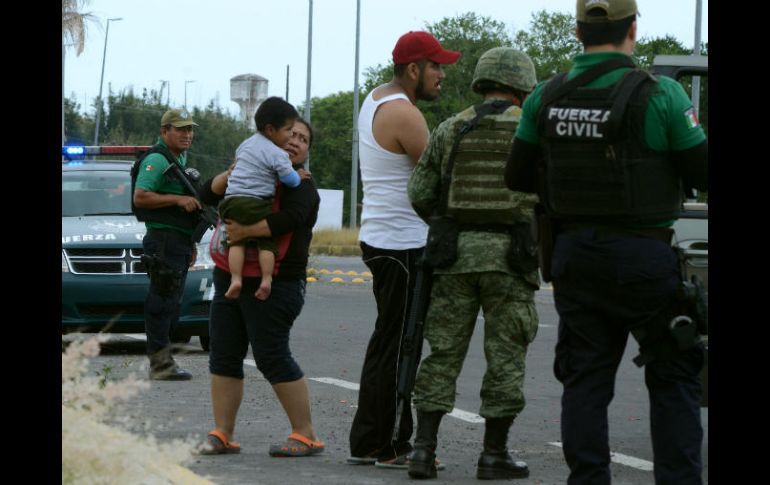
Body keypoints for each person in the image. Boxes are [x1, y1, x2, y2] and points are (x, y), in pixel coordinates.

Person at [505, 1, 708, 483]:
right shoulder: (664, 95)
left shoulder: (543, 98)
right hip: (644, 257)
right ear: (633, 28)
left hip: (574, 256)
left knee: (585, 382)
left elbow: (517, 175)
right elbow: (700, 172)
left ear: (577, 31)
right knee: (674, 376)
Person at [406, 47, 539, 480]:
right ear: (523, 84)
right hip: (512, 258)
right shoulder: (531, 129)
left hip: (454, 257)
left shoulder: (451, 128)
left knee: (442, 354)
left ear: (481, 81)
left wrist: (453, 225)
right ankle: (493, 454)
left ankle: (422, 452)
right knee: (506, 358)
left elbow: (421, 193)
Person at [348, 30, 460, 469]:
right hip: (404, 243)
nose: (441, 75)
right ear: (412, 69)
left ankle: (369, 439)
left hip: (383, 237)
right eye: (435, 66)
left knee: (388, 340)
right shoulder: (404, 114)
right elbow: (440, 179)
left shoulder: (376, 98)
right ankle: (390, 444)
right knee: (401, 345)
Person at [197, 118, 325, 458]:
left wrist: (244, 231)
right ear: (273, 135)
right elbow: (205, 193)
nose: (295, 141)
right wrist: (231, 172)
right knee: (223, 353)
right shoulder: (247, 174)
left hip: (278, 282)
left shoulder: (302, 185)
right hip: (230, 277)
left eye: (303, 139)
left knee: (271, 355)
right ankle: (222, 433)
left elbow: (292, 218)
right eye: (290, 134)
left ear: (307, 151)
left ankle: (306, 433)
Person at [133, 108, 203, 381]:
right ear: (165, 132)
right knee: (162, 303)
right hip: (163, 241)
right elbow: (141, 196)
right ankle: (161, 365)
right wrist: (176, 201)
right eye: (181, 129)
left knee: (171, 303)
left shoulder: (179, 158)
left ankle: (164, 362)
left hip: (177, 240)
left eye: (190, 129)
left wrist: (191, 241)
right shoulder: (157, 159)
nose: (187, 134)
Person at [220, 96, 307, 301]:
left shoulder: (245, 144)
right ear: (270, 130)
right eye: (288, 130)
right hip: (256, 203)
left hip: (231, 201)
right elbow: (290, 180)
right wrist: (299, 176)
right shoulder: (276, 153)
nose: (290, 136)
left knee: (236, 241)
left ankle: (235, 279)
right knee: (266, 242)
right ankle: (267, 279)